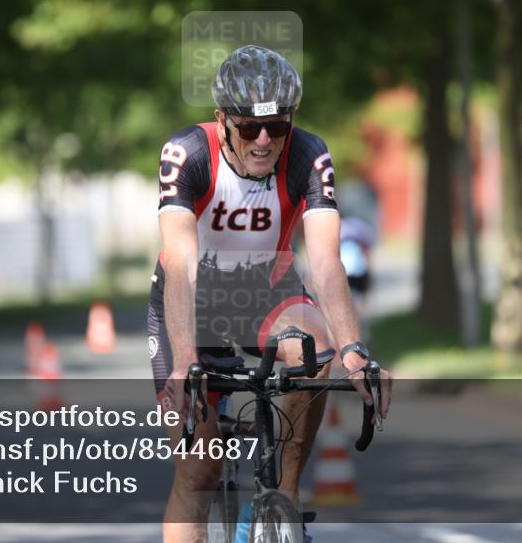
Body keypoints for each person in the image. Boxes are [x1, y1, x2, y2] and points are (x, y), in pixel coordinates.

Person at [148, 45, 393, 542]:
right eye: (248, 127)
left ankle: (285, 493)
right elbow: (179, 260)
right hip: (192, 298)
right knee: (199, 473)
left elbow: (325, 262)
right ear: (222, 121)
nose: (264, 140)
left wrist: (353, 352)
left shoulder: (308, 154)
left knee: (318, 350)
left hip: (267, 288)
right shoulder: (188, 154)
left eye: (277, 127)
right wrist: (185, 362)